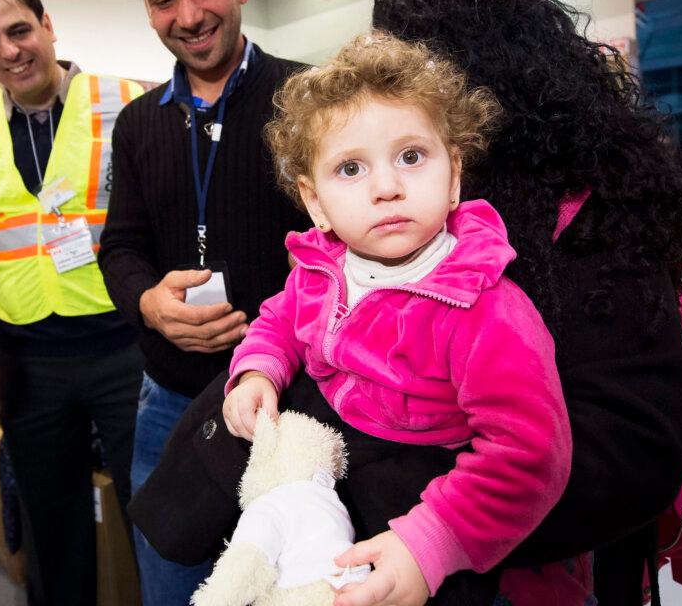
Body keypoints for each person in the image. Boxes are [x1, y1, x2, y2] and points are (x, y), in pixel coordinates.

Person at [372, 0, 682, 606]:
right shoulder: (427, 205)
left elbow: (634, 451)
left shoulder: (591, 213)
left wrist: (431, 514)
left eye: (405, 71)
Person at [223, 33, 574, 604]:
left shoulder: (481, 306)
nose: (387, 187)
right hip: (332, 479)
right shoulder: (321, 268)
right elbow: (279, 319)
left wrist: (429, 543)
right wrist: (259, 369)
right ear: (315, 203)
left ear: (454, 174)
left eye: (412, 157)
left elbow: (529, 455)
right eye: (351, 168)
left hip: (427, 501)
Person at [97, 0, 309, 605]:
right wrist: (149, 304)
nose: (188, 15)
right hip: (169, 404)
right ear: (147, 8)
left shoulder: (310, 100)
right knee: (173, 588)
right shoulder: (137, 124)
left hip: (298, 403)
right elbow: (121, 247)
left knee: (290, 587)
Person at [0, 0, 146, 606]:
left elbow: (164, 222)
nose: (8, 51)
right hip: (29, 358)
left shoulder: (127, 104)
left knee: (154, 502)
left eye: (18, 30)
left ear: (47, 25)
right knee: (50, 517)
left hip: (125, 345)